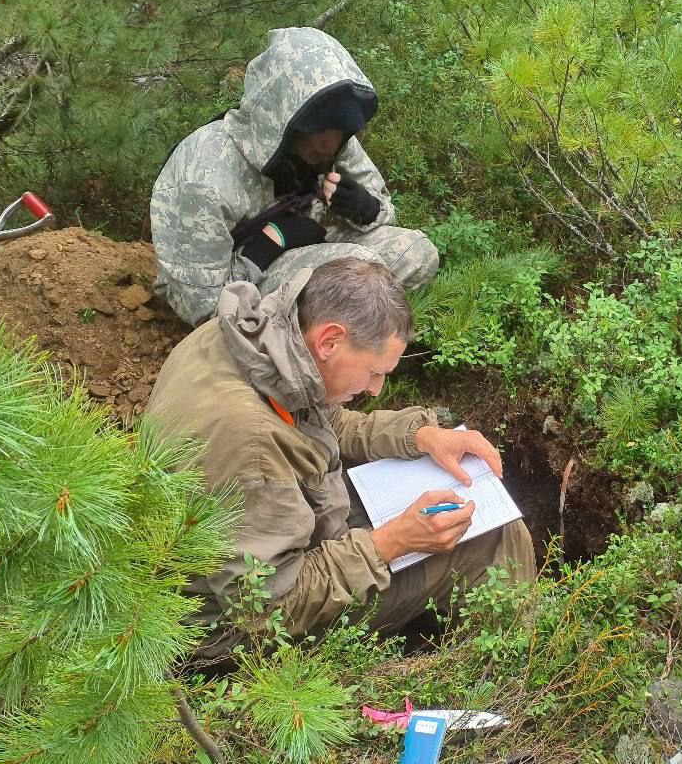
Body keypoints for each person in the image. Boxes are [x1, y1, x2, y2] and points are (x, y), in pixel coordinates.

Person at [146, 254, 534, 661]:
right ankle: (510, 678)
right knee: (491, 539)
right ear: (329, 340)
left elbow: (318, 418)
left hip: (247, 545)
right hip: (230, 633)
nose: (377, 390)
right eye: (374, 372)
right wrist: (392, 542)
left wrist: (419, 435)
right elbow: (264, 610)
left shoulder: (248, 338)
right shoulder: (250, 442)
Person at [149, 26, 438, 327]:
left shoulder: (333, 143)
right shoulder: (207, 174)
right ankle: (315, 354)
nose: (331, 143)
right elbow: (203, 307)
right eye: (322, 128)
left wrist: (364, 207)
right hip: (238, 280)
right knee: (364, 278)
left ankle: (334, 332)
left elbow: (383, 209)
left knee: (416, 253)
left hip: (303, 249)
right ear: (284, 118)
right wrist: (270, 243)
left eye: (341, 129)